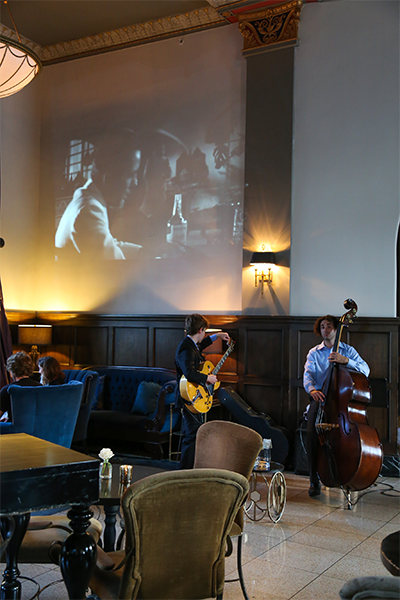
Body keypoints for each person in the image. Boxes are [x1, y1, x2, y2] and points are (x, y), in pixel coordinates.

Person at [303, 315, 370, 497]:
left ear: (336, 329)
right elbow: (308, 375)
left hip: (342, 403)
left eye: (329, 326)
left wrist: (346, 361)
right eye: (322, 327)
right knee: (311, 434)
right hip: (321, 399)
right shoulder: (314, 353)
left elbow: (366, 369)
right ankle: (313, 480)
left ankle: (347, 475)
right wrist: (312, 390)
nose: (325, 329)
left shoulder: (347, 351)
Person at [55, 129, 143, 260]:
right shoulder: (89, 209)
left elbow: (111, 244)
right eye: (131, 175)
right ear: (108, 177)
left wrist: (143, 252)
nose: (135, 183)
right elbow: (116, 266)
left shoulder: (87, 198)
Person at [175, 314, 230, 469]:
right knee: (191, 436)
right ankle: (185, 472)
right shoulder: (186, 348)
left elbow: (201, 344)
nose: (205, 335)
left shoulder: (190, 343)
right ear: (201, 329)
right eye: (205, 331)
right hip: (188, 397)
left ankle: (192, 470)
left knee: (194, 434)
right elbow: (189, 373)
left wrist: (217, 336)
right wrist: (207, 378)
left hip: (194, 396)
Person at [0, 351, 42, 422]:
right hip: (36, 430)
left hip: (14, 431)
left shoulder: (8, 390)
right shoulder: (40, 388)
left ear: (11, 372)